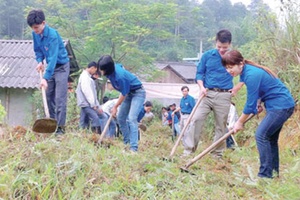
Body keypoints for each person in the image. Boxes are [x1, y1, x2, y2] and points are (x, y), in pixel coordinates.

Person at [221, 49, 295, 179]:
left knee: (261, 135)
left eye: (231, 67)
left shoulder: (251, 74)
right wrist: (259, 103)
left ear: (240, 63)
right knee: (270, 138)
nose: (229, 70)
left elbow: (249, 105)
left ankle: (264, 175)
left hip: (281, 106)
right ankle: (273, 174)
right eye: (227, 68)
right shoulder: (245, 73)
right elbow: (259, 93)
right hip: (278, 105)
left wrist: (239, 122)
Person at [182, 29, 244, 157]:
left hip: (224, 95)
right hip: (207, 93)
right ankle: (188, 151)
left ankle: (217, 154)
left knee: (221, 124)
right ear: (215, 43)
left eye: (225, 47)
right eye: (219, 47)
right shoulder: (207, 56)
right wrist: (201, 87)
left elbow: (245, 71)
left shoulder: (234, 57)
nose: (222, 50)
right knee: (196, 119)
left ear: (230, 44)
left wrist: (237, 87)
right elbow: (199, 74)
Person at [27, 9, 70, 135]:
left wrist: (45, 78)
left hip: (61, 67)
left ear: (43, 23)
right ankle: (51, 126)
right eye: (33, 28)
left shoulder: (52, 35)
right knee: (49, 95)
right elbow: (38, 50)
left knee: (60, 98)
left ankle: (60, 129)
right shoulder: (35, 34)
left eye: (37, 27)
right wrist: (39, 61)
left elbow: (52, 59)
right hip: (50, 68)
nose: (35, 30)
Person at [97, 55, 146, 153]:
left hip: (138, 93)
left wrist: (115, 106)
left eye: (102, 70)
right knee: (120, 118)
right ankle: (126, 143)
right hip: (128, 93)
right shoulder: (111, 71)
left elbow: (124, 94)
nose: (100, 72)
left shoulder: (120, 76)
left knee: (132, 118)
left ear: (108, 69)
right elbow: (121, 65)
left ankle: (133, 148)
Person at [76, 62, 102, 133]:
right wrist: (93, 104)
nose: (94, 72)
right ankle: (95, 136)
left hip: (85, 102)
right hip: (86, 103)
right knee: (95, 118)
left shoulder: (86, 77)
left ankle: (83, 135)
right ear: (92, 68)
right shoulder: (85, 77)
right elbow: (87, 91)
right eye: (95, 70)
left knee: (83, 121)